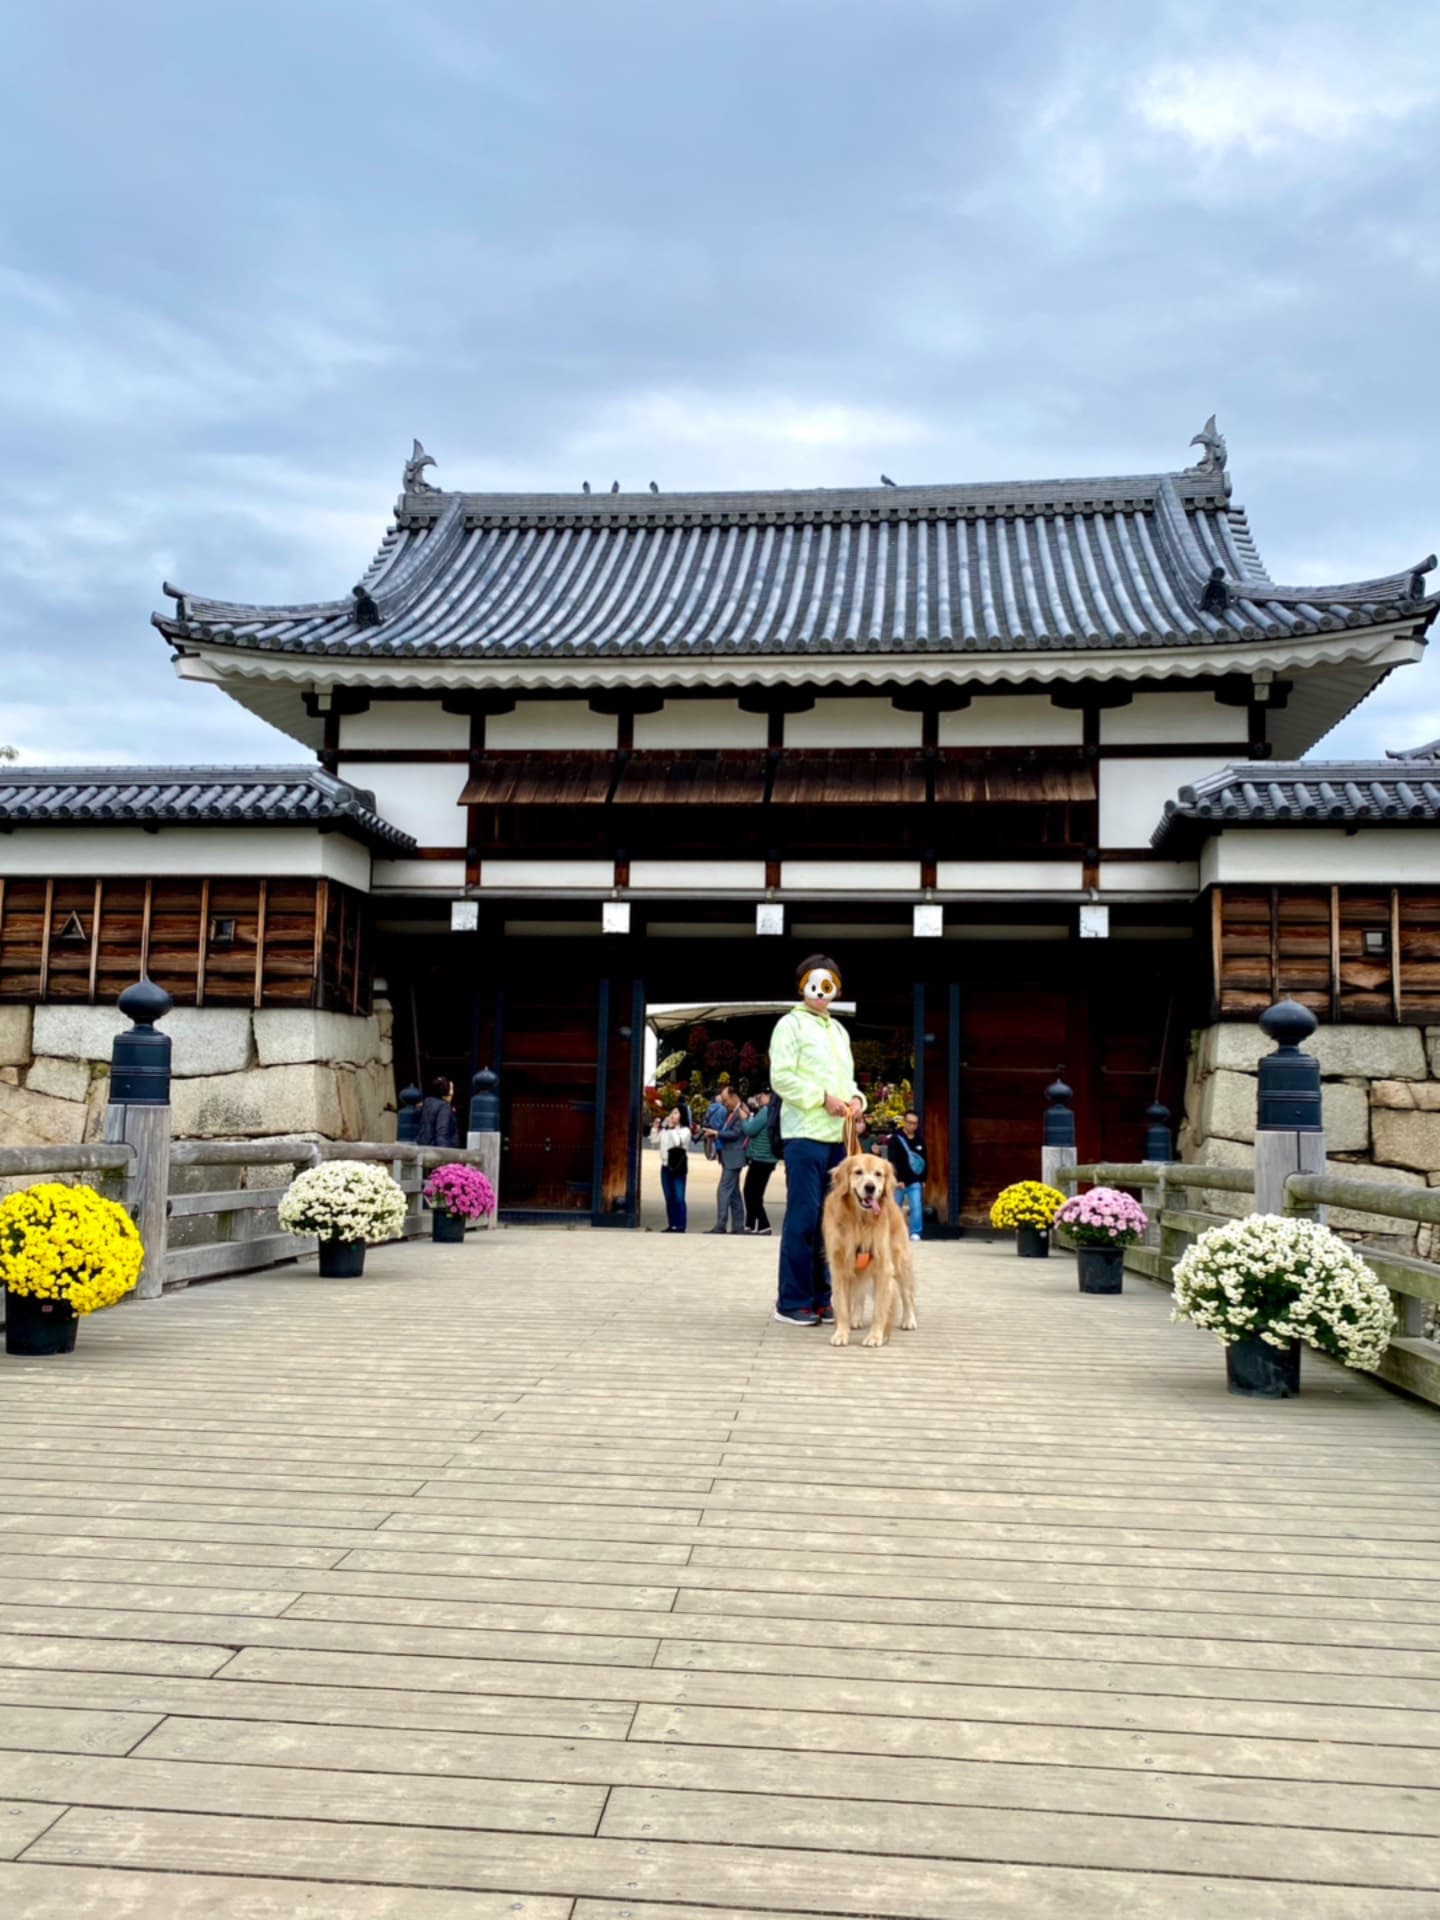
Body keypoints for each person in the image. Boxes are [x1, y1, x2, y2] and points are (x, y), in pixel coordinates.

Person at [768, 954, 864, 1325]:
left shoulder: (839, 1031)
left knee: (833, 1220)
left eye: (829, 986)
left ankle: (823, 1296)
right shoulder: (789, 1025)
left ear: (837, 989)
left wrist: (857, 1099)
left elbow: (848, 1081)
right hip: (804, 1134)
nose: (821, 993)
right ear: (801, 986)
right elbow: (781, 1077)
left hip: (838, 1138)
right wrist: (822, 1098)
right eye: (814, 985)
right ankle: (792, 1300)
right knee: (804, 1217)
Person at [705, 1086, 747, 1234]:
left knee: (723, 1190)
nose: (724, 1104)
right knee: (734, 1192)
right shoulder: (733, 1112)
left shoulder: (742, 1111)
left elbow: (736, 1133)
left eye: (726, 1100)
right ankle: (738, 1226)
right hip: (730, 1157)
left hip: (734, 1157)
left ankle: (721, 1224)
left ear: (734, 1097)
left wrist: (717, 1134)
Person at [739, 1090, 779, 1235]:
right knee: (753, 1192)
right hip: (768, 1159)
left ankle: (763, 1225)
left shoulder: (765, 1111)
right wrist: (750, 1115)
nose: (759, 1098)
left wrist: (744, 1119)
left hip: (761, 1158)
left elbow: (750, 1130)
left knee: (752, 1193)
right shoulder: (775, 1111)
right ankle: (750, 1225)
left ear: (769, 1096)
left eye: (761, 1096)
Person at [888, 1108, 926, 1241]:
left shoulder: (920, 1139)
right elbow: (892, 1160)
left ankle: (916, 1232)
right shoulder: (895, 1139)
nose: (912, 1126)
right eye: (909, 1122)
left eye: (915, 1123)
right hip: (898, 1181)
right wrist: (897, 1178)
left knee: (916, 1206)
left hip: (915, 1179)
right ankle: (892, 1232)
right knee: (894, 1207)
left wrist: (923, 1179)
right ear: (904, 1122)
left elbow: (924, 1160)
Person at [655, 1105, 692, 1233]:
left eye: (676, 1113)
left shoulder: (685, 1130)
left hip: (678, 1166)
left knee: (679, 1197)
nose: (672, 1115)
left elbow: (678, 1142)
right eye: (671, 1113)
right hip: (665, 1165)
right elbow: (654, 1139)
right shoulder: (666, 1130)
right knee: (669, 1197)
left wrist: (672, 1129)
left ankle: (680, 1225)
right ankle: (672, 1224)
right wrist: (657, 1127)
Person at [416, 1075, 459, 1148]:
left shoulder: (427, 1102)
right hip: (440, 1150)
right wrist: (444, 1152)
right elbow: (442, 1131)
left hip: (425, 1147)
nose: (452, 1092)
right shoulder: (444, 1107)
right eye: (451, 1089)